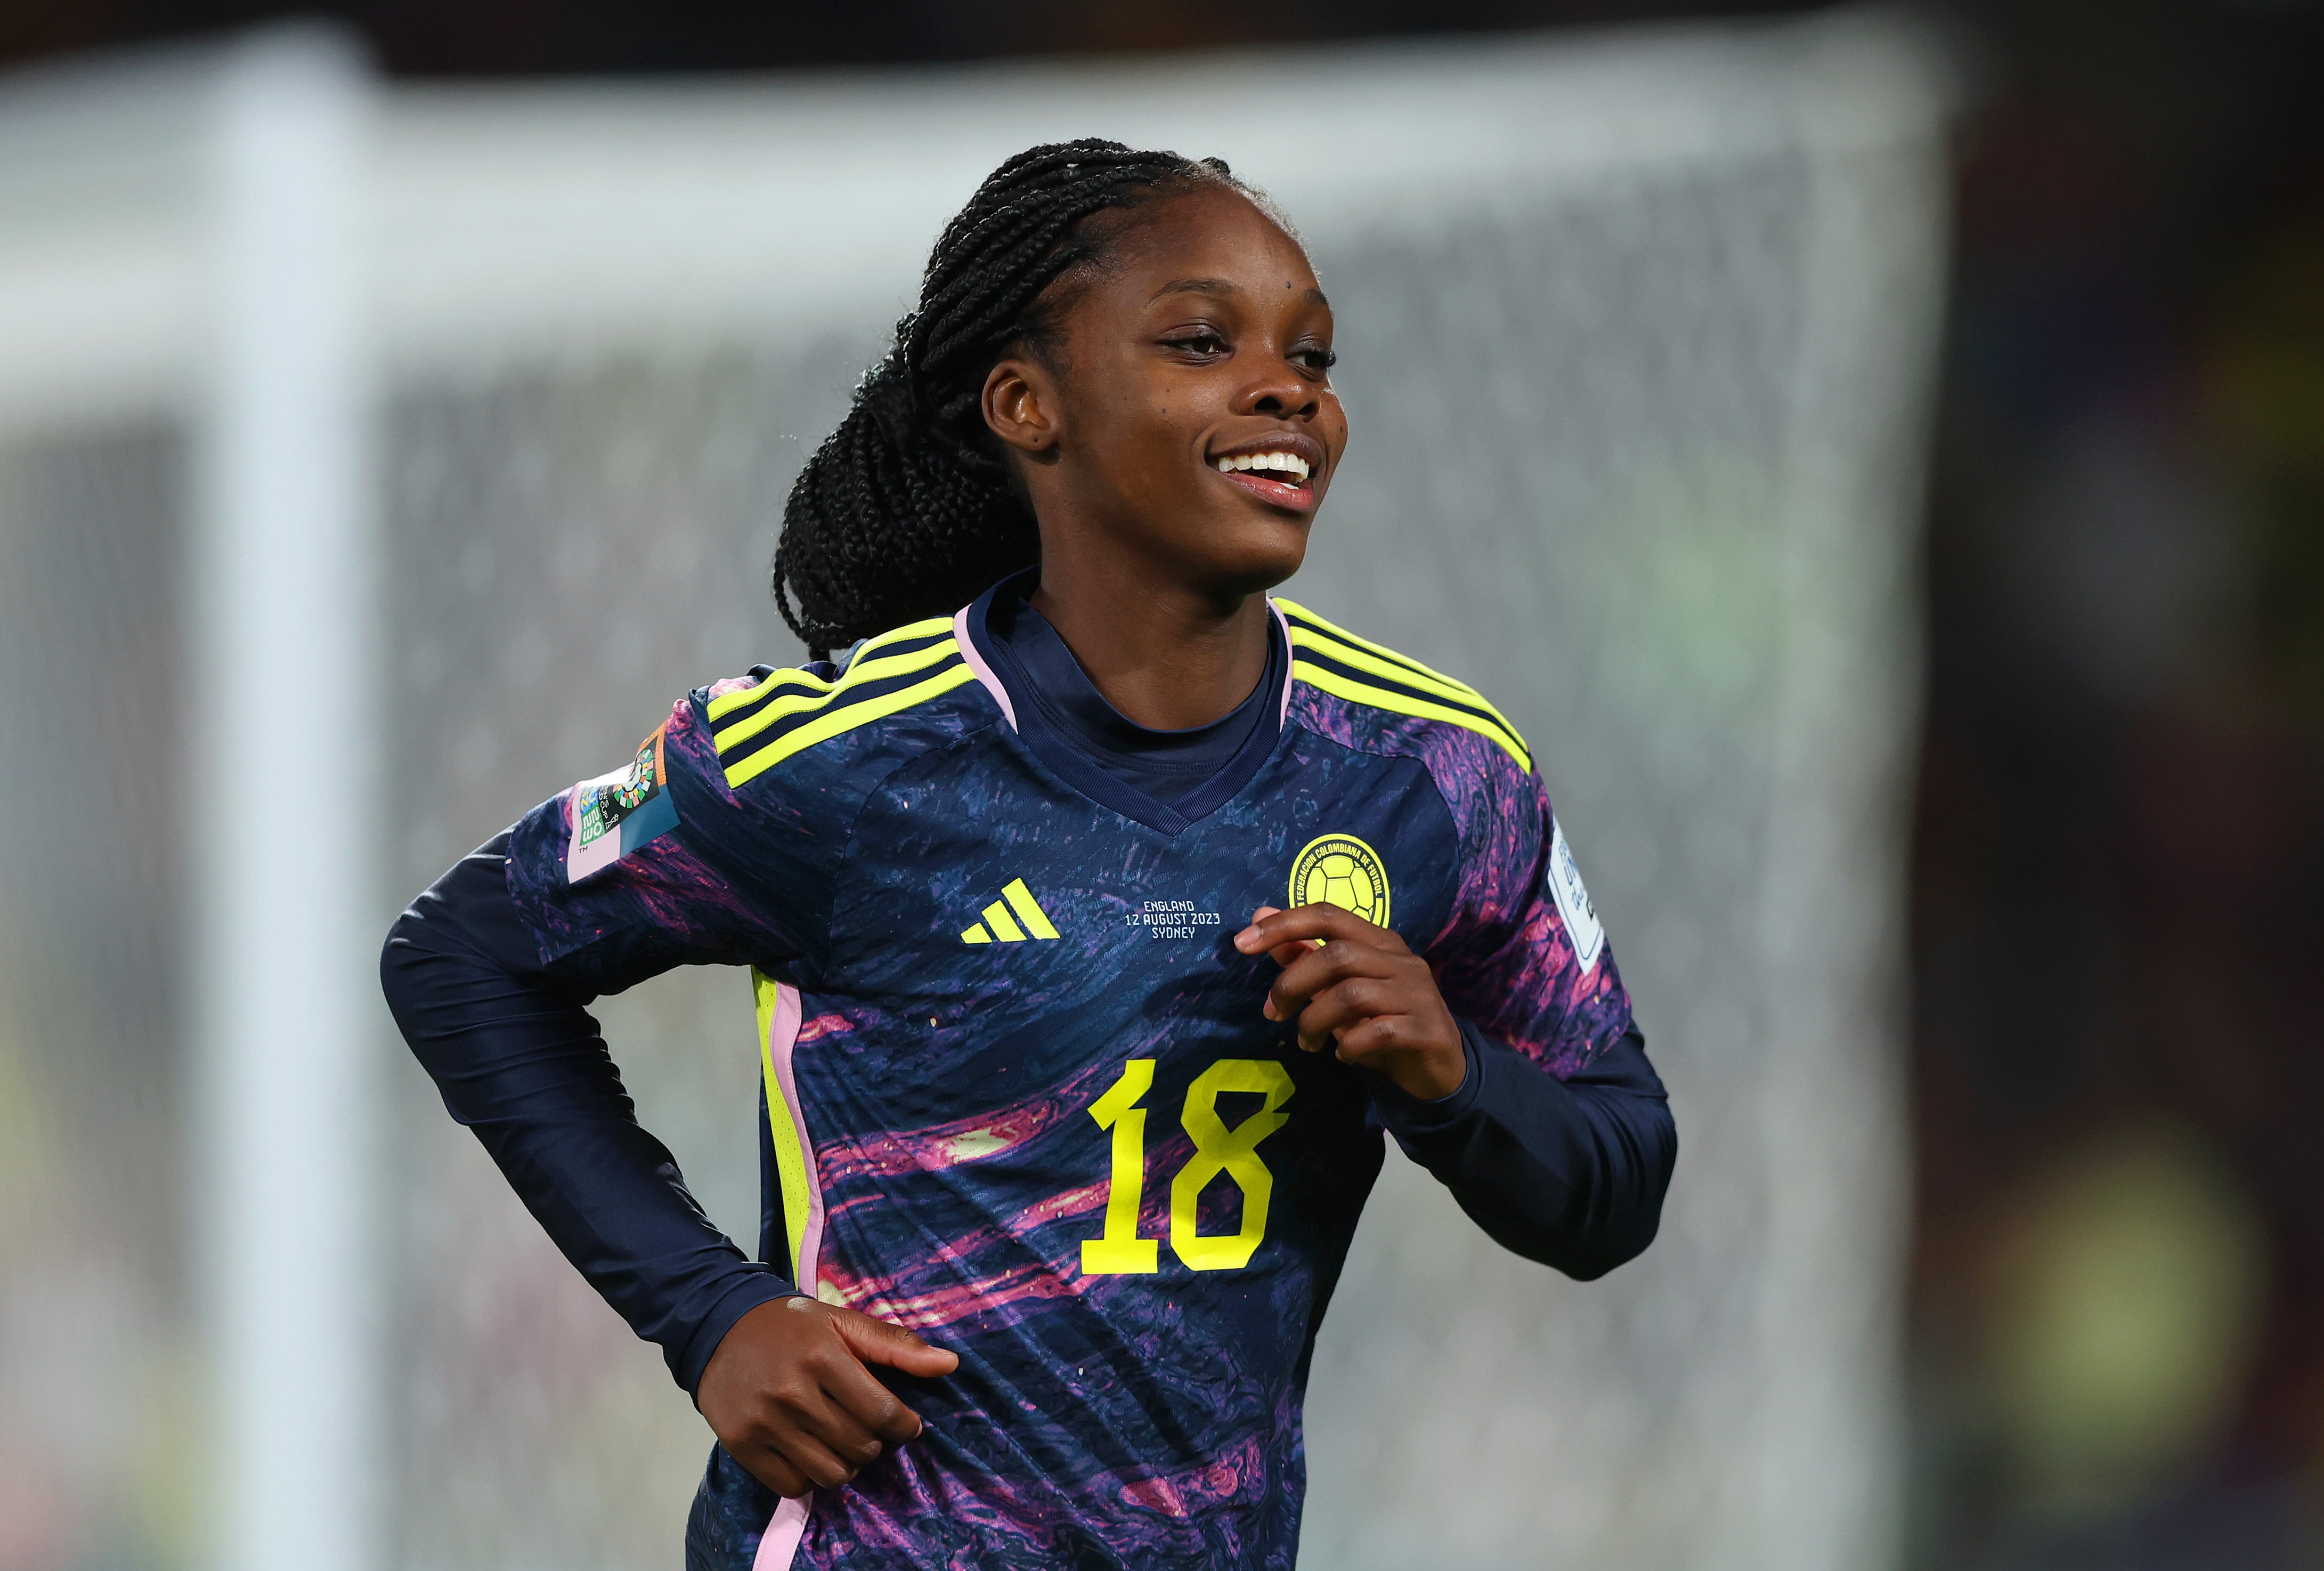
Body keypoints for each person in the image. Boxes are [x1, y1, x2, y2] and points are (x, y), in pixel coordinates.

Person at [383, 138, 1675, 1571]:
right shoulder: (837, 761)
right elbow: (461, 953)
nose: (1288, 390)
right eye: (1202, 341)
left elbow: (1616, 1178)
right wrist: (710, 1313)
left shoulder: (1435, 775)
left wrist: (1454, 1079)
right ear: (1026, 404)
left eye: (1311, 355)